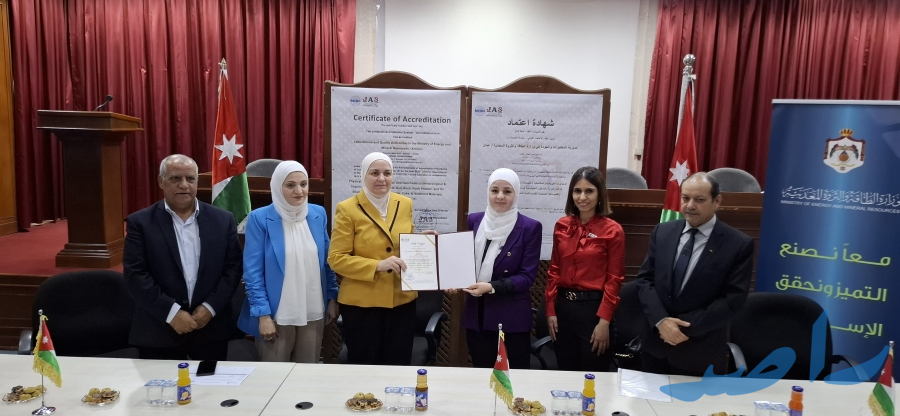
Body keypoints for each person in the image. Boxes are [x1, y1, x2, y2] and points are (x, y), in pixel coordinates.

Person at [124, 154, 242, 360]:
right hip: (159, 329)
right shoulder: (140, 223)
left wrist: (210, 308)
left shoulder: (223, 220)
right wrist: (171, 313)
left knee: (210, 381)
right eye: (175, 178)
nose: (184, 185)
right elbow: (136, 275)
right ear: (161, 181)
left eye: (190, 178)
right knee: (161, 382)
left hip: (210, 329)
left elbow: (233, 268)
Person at [634, 172, 754, 376]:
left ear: (717, 201)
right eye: (685, 198)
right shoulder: (662, 232)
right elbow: (645, 280)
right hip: (655, 348)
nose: (690, 206)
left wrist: (681, 329)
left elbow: (733, 300)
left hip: (700, 352)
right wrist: (661, 321)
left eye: (699, 200)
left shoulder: (738, 244)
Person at [237, 161, 339, 362]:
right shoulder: (259, 218)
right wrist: (263, 315)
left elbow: (327, 261)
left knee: (306, 373)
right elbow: (252, 273)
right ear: (277, 186)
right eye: (290, 185)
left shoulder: (318, 214)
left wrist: (331, 297)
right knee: (275, 374)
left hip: (313, 308)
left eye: (303, 184)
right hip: (276, 314)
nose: (299, 191)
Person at [328, 152, 417, 365]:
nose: (381, 179)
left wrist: (423, 243)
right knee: (365, 365)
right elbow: (336, 258)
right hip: (362, 305)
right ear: (363, 175)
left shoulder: (404, 203)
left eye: (387, 173)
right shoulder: (347, 208)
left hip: (401, 301)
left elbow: (403, 244)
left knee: (398, 364)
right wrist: (377, 265)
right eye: (374, 173)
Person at [448, 168, 541, 369]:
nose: (500, 196)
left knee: (512, 381)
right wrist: (454, 280)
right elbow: (464, 260)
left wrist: (491, 287)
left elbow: (526, 277)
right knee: (481, 376)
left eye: (507, 191)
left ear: (516, 193)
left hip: (511, 320)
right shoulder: (474, 220)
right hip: (477, 316)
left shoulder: (530, 227)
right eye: (494, 190)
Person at [545, 166, 625, 372]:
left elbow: (614, 279)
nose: (582, 197)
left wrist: (604, 321)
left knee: (593, 376)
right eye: (577, 191)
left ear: (599, 194)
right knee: (566, 373)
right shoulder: (562, 226)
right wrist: (551, 310)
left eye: (589, 191)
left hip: (593, 311)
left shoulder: (612, 230)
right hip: (564, 309)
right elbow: (554, 270)